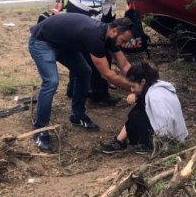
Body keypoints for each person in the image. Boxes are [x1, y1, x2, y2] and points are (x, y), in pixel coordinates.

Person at [28, 13, 138, 152]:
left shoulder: (110, 36)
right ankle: (40, 130)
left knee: (84, 72)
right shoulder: (95, 37)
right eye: (122, 41)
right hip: (41, 42)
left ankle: (77, 115)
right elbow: (107, 74)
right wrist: (133, 88)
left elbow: (124, 65)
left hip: (63, 45)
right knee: (51, 82)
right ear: (114, 31)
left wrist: (139, 82)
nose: (121, 45)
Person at [99, 62, 188, 154]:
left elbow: (165, 122)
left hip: (169, 139)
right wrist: (135, 94)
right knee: (138, 109)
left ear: (143, 82)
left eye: (133, 87)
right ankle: (119, 141)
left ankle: (149, 145)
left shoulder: (155, 97)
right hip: (178, 134)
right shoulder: (158, 87)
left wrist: (163, 144)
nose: (132, 90)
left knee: (136, 114)